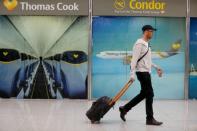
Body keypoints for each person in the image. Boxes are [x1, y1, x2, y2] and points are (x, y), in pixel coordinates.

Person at [119, 25, 163, 126]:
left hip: (146, 72)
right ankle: (149, 118)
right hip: (142, 72)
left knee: (144, 94)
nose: (152, 33)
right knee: (150, 94)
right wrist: (132, 74)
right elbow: (134, 60)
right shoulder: (139, 44)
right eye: (151, 31)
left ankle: (124, 108)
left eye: (152, 31)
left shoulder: (146, 44)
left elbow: (147, 60)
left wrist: (156, 67)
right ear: (145, 32)